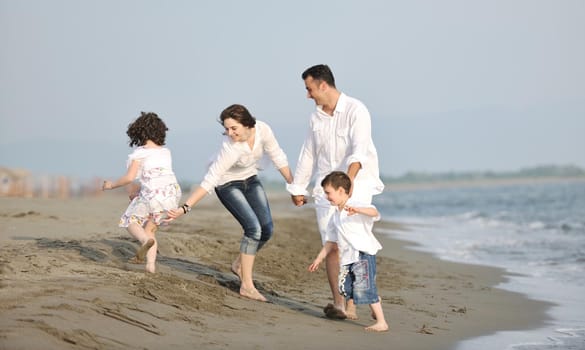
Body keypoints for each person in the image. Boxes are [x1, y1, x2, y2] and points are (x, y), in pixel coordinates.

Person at [166, 104, 293, 302]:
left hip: (250, 179)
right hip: (227, 185)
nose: (229, 133)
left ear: (247, 124)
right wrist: (185, 207)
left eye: (233, 128)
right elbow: (210, 179)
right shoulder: (230, 147)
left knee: (266, 230)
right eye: (226, 129)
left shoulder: (263, 130)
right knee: (253, 229)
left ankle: (238, 265)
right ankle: (247, 286)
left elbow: (278, 156)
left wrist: (294, 187)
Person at [287, 64, 384, 319]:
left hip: (356, 185)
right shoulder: (315, 117)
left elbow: (359, 152)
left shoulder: (356, 110)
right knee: (331, 246)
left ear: (323, 85)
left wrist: (347, 185)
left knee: (352, 243)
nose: (308, 95)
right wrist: (298, 187)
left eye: (309, 89)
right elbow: (308, 153)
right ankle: (339, 303)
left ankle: (355, 301)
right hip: (326, 189)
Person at [102, 112, 182, 273]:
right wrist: (138, 195)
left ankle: (144, 241)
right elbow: (155, 177)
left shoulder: (139, 153)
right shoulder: (166, 152)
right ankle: (150, 266)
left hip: (152, 195)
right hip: (171, 195)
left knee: (129, 220)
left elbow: (129, 178)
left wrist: (111, 185)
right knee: (150, 229)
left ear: (138, 132)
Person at [308, 171, 388, 332]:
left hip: (363, 253)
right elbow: (331, 241)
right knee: (345, 288)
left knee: (364, 287)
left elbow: (375, 212)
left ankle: (381, 322)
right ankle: (375, 299)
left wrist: (358, 210)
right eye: (325, 193)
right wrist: (319, 258)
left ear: (341, 191)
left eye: (328, 193)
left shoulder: (356, 204)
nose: (326, 196)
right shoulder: (335, 216)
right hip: (348, 258)